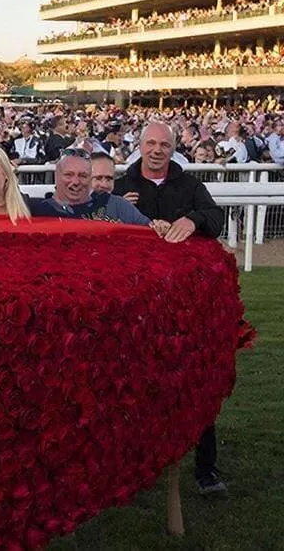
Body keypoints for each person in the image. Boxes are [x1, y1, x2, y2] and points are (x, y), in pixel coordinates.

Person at [113, 122, 226, 495]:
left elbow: (215, 218)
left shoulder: (190, 186)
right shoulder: (120, 186)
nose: (157, 150)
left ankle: (206, 470)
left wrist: (191, 219)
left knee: (195, 380)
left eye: (164, 144)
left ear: (173, 149)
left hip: (184, 301)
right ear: (140, 146)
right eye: (151, 143)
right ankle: (130, 466)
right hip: (135, 300)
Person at [33, 149, 153, 225]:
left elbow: (152, 230)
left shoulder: (120, 205)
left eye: (109, 179)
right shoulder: (41, 207)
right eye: (98, 178)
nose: (104, 184)